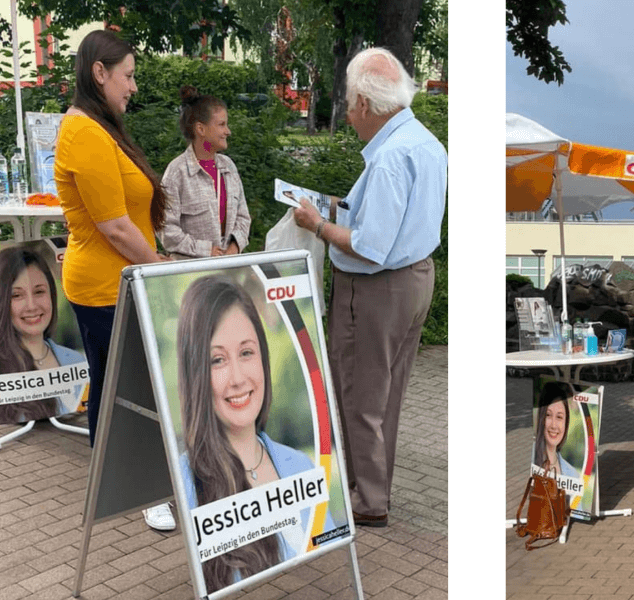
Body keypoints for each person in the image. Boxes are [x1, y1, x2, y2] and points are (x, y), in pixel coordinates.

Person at [292, 47, 446, 527]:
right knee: (388, 393)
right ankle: (374, 488)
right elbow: (390, 220)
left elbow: (369, 245)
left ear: (362, 102)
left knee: (360, 394)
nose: (349, 115)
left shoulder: (389, 158)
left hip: (378, 289)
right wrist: (340, 207)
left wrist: (318, 225)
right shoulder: (425, 144)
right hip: (416, 279)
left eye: (349, 103)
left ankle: (367, 499)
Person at [54, 29, 173, 529]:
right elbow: (115, 226)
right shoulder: (84, 132)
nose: (134, 86)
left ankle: (115, 478)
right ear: (99, 73)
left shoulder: (98, 128)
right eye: (128, 76)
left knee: (113, 382)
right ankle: (142, 489)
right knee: (134, 387)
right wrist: (161, 268)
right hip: (109, 287)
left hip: (116, 281)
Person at [175, 276, 329, 593]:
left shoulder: (302, 465)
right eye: (217, 360)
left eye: (247, 353)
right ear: (195, 374)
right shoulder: (185, 478)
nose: (237, 378)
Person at [0, 246, 86, 424]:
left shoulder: (76, 360)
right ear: (0, 303)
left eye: (39, 292)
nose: (31, 306)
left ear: (52, 294)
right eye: (16, 295)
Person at [161, 86, 251, 260]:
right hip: (188, 275)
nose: (228, 131)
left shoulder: (229, 167)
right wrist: (204, 250)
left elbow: (243, 217)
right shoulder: (177, 172)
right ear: (200, 129)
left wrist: (234, 247)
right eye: (221, 125)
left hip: (228, 268)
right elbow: (166, 230)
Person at [532, 381, 579, 479]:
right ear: (541, 418)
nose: (553, 425)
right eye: (548, 415)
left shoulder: (572, 474)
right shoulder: (533, 458)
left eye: (559, 417)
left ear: (566, 423)